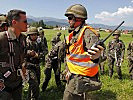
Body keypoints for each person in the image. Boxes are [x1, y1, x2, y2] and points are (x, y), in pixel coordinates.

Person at [63, 4, 104, 100]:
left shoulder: (88, 34)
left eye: (70, 18)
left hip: (83, 80)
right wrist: (68, 70)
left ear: (79, 19)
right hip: (73, 76)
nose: (68, 20)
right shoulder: (74, 34)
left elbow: (100, 54)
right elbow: (71, 55)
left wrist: (97, 57)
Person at [0, 9, 27, 100]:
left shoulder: (23, 38)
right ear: (14, 22)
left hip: (18, 83)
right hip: (3, 86)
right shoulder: (1, 38)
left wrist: (23, 65)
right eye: (25, 21)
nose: (27, 24)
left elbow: (24, 55)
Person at [26, 27, 42, 100]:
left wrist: (38, 55)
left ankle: (30, 97)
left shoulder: (39, 42)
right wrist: (29, 53)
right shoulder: (26, 43)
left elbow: (45, 51)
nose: (34, 36)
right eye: (32, 35)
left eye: (35, 35)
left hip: (37, 65)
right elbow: (20, 52)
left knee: (36, 83)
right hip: (29, 66)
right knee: (34, 83)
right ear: (29, 35)